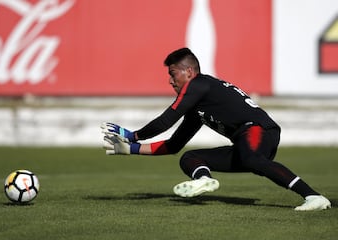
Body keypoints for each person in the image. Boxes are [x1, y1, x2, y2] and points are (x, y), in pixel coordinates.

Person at [101, 47, 331, 211]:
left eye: (173, 74)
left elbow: (166, 119)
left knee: (251, 158)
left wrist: (131, 135)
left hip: (259, 130)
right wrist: (129, 149)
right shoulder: (198, 104)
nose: (170, 81)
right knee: (189, 157)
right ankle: (203, 179)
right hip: (245, 141)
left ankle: (314, 196)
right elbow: (173, 145)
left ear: (189, 72)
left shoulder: (199, 84)